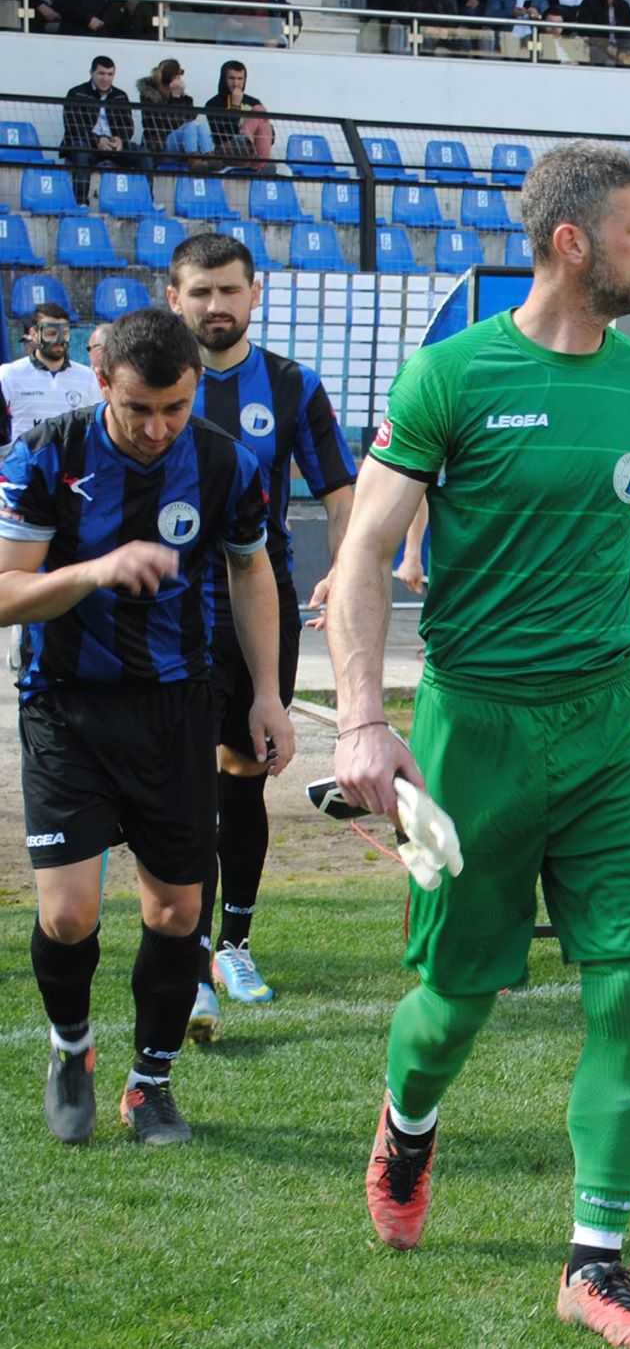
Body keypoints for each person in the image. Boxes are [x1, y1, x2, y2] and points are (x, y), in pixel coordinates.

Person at [327, 143, 630, 1346]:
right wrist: (364, 722)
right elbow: (361, 559)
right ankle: (408, 1125)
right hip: (473, 729)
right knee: (452, 1001)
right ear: (572, 243)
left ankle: (596, 1261)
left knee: (626, 989)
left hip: (606, 727)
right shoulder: (453, 375)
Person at [3, 308, 288, 1148]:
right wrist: (93, 570)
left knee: (174, 915)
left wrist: (266, 693)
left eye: (174, 406)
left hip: (175, 711)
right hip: (66, 705)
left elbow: (251, 574)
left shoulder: (223, 462)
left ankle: (150, 1085)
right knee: (68, 917)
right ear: (104, 385)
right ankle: (72, 1048)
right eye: (138, 410)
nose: (158, 428)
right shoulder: (46, 453)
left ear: (193, 387)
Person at [162, 232, 356, 1032]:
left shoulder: (289, 384)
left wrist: (344, 569)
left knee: (244, 779)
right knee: (181, 791)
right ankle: (186, 950)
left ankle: (231, 944)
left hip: (255, 606)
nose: (216, 306)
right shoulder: (151, 381)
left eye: (229, 291)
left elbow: (342, 489)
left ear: (255, 293)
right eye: (200, 292)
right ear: (174, 297)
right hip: (164, 614)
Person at [2, 304, 100, 443]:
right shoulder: (9, 374)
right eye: (51, 333)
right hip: (25, 462)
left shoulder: (87, 377)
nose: (59, 340)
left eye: (64, 333)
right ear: (34, 334)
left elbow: (97, 426)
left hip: (70, 462)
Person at [60, 56, 136, 203]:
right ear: (91, 73)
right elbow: (73, 126)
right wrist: (97, 140)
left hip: (113, 146)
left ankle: (147, 203)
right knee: (81, 151)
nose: (105, 79)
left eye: (110, 74)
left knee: (144, 155)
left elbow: (128, 125)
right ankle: (81, 203)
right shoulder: (76, 93)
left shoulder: (120, 96)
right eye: (101, 74)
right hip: (87, 144)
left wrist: (121, 139)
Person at [135, 58, 214, 170]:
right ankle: (193, 159)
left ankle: (210, 158)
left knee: (200, 127)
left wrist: (182, 97)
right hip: (160, 148)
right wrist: (175, 99)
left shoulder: (179, 95)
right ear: (174, 78)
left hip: (179, 145)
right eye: (178, 76)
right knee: (190, 126)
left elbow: (191, 115)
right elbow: (168, 123)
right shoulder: (149, 97)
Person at [204, 62, 271, 163]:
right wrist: (235, 107)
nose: (236, 83)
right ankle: (259, 161)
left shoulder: (253, 102)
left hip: (252, 150)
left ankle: (245, 141)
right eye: (231, 78)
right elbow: (222, 135)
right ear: (224, 79)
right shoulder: (213, 104)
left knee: (259, 111)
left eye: (240, 79)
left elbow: (270, 136)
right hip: (227, 151)